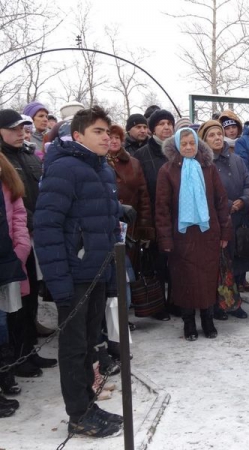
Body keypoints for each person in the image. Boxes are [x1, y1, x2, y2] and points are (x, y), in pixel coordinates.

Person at [33, 106, 123, 438]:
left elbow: (108, 226)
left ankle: (88, 404)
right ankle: (78, 414)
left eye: (108, 132)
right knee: (73, 348)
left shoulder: (102, 169)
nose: (106, 137)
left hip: (97, 272)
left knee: (88, 344)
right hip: (73, 275)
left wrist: (110, 273)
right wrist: (59, 283)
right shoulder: (64, 169)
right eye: (98, 132)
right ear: (78, 135)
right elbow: (46, 228)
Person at [155, 128, 232, 340]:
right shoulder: (167, 170)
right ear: (177, 145)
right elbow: (162, 208)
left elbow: (221, 201)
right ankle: (188, 323)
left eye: (192, 143)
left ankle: (208, 320)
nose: (189, 147)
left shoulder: (209, 168)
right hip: (181, 234)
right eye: (184, 143)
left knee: (207, 279)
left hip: (208, 232)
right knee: (185, 280)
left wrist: (225, 230)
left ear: (198, 144)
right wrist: (165, 239)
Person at [0, 110, 55, 377]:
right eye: (14, 129)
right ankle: (16, 357)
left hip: (33, 236)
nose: (21, 133)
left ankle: (29, 351)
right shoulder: (4, 159)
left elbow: (39, 193)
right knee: (13, 304)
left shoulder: (29, 156)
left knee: (31, 294)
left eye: (23, 128)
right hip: (14, 239)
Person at [198, 120, 249, 319]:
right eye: (211, 135)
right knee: (219, 263)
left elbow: (248, 183)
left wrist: (243, 201)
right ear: (204, 139)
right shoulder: (203, 163)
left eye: (219, 134)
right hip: (217, 219)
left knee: (237, 261)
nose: (217, 138)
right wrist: (228, 204)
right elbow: (206, 192)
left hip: (239, 217)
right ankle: (218, 304)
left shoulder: (236, 159)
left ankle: (234, 303)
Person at [133, 109, 175, 321]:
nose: (166, 127)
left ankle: (176, 301)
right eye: (161, 124)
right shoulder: (141, 155)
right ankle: (159, 306)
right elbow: (140, 190)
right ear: (152, 129)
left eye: (169, 123)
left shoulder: (178, 151)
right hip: (154, 216)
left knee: (176, 262)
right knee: (157, 263)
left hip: (176, 217)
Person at [0, 152, 30, 413]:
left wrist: (20, 247)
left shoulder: (5, 173)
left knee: (2, 321)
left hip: (6, 258)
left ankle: (5, 374)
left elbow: (18, 214)